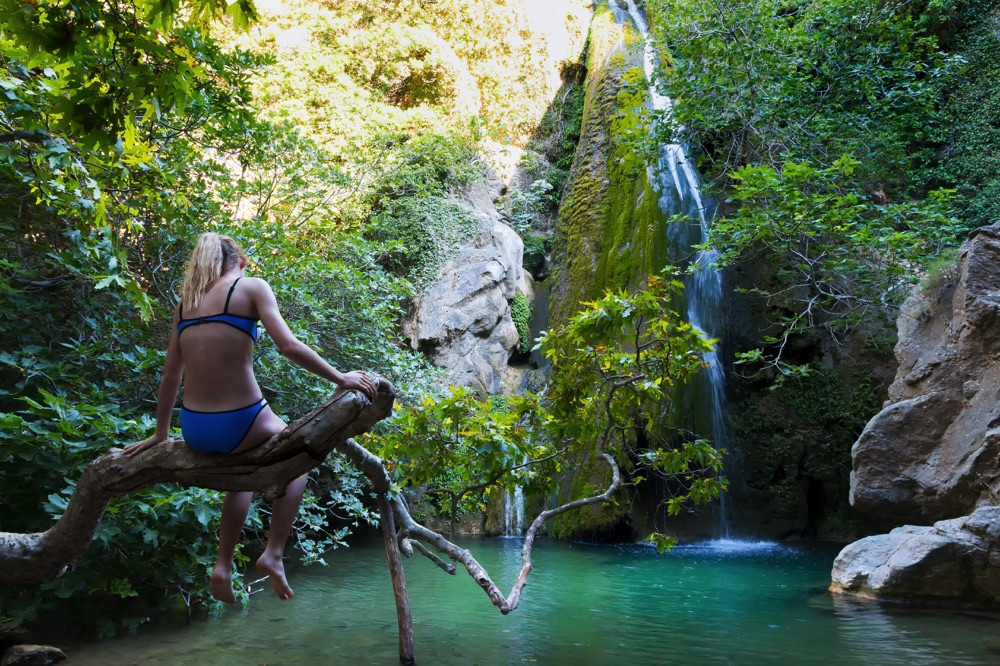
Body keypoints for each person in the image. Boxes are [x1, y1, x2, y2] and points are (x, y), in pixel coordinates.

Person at [123, 232, 377, 603]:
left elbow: (169, 377)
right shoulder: (252, 287)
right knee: (299, 457)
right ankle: (273, 552)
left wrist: (161, 435)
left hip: (194, 426)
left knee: (240, 476)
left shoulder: (185, 304)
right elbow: (288, 345)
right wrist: (341, 378)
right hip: (240, 419)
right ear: (240, 262)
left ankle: (222, 564)